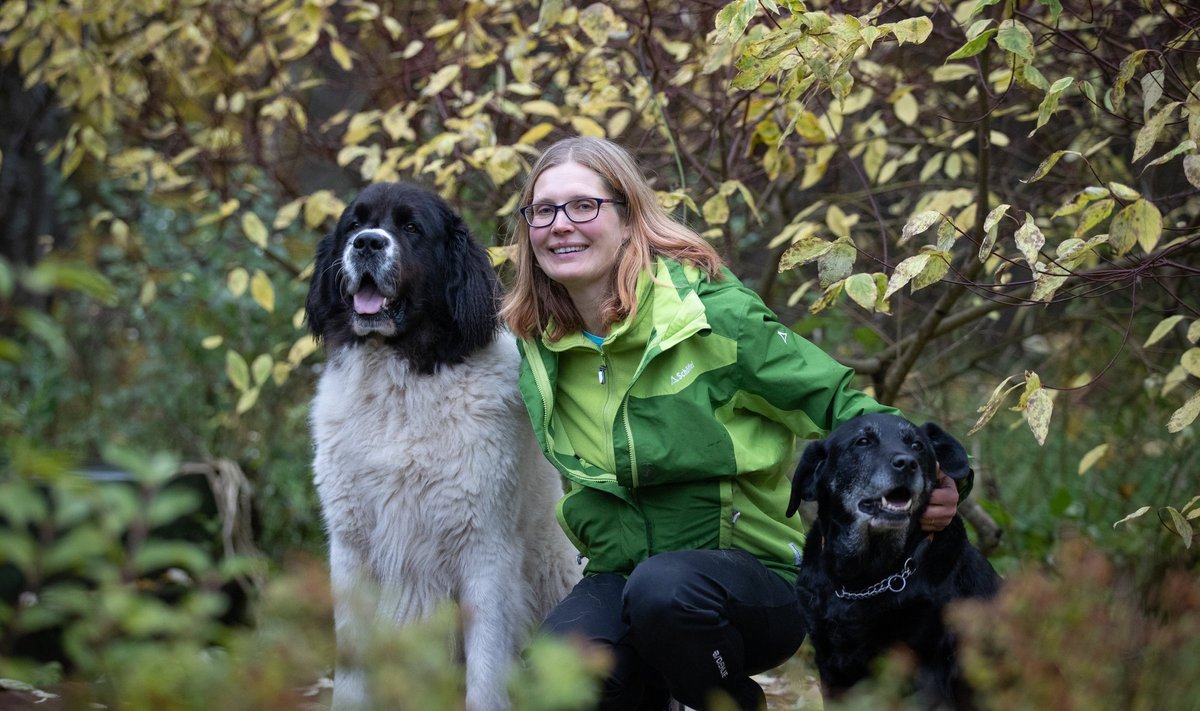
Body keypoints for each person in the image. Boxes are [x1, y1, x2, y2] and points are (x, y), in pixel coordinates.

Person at [499, 136, 963, 711]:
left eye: (583, 206)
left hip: (751, 581)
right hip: (621, 576)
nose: (560, 225)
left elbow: (840, 401)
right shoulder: (536, 346)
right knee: (553, 680)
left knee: (666, 594)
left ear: (629, 217)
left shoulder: (710, 312)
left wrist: (932, 479)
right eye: (543, 211)